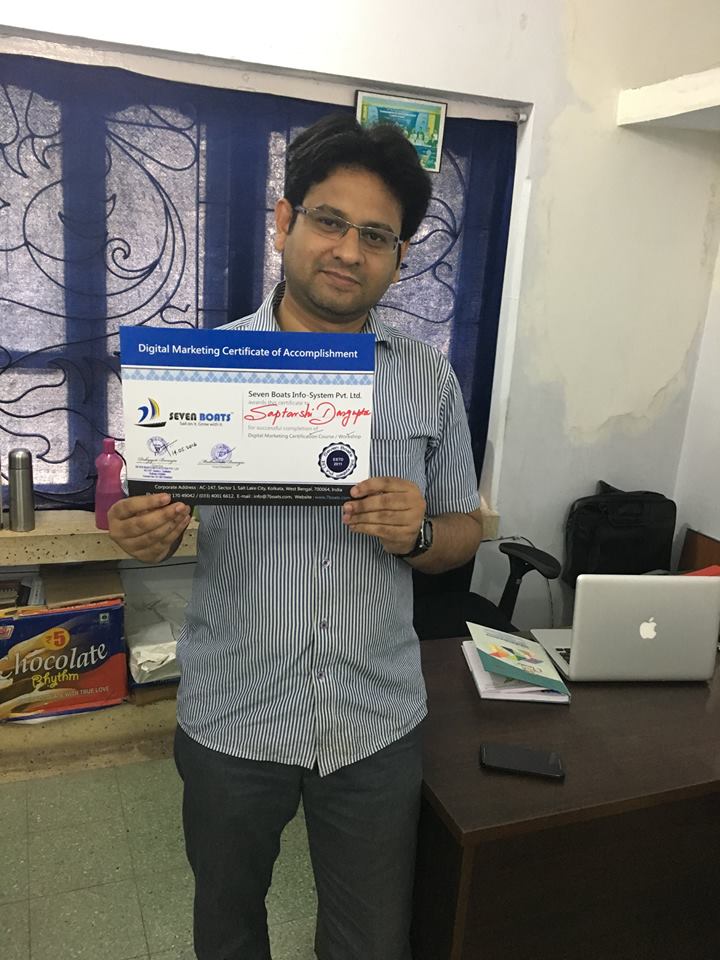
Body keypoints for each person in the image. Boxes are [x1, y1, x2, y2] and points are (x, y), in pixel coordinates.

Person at [108, 113, 484, 960]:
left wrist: (420, 529)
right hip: (234, 716)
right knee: (228, 928)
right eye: (330, 221)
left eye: (377, 235)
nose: (349, 250)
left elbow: (465, 530)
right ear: (285, 222)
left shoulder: (428, 377)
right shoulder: (199, 372)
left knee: (370, 942)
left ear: (399, 256)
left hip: (373, 721)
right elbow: (149, 517)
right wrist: (144, 532)